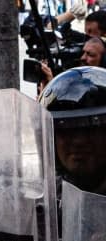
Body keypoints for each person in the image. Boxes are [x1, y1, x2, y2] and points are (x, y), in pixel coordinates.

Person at [38, 66, 106, 195]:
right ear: (51, 137)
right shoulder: (46, 199)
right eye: (66, 130)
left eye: (90, 129)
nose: (78, 141)